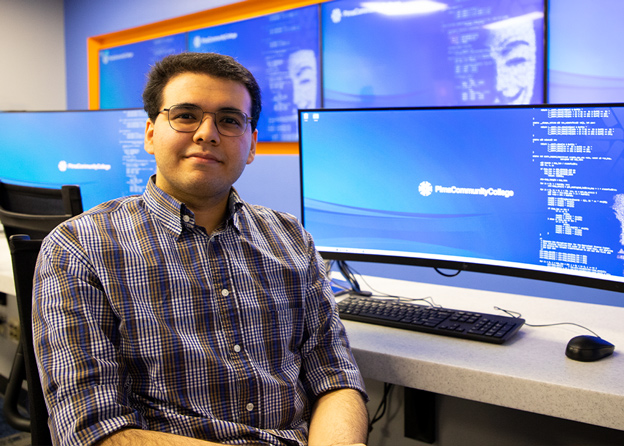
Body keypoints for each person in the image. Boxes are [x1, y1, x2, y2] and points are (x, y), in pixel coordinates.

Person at [33, 52, 368, 446]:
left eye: (229, 120)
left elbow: (335, 377)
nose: (207, 133)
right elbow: (91, 430)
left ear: (252, 144)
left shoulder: (291, 239)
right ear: (150, 133)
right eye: (186, 115)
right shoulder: (79, 248)